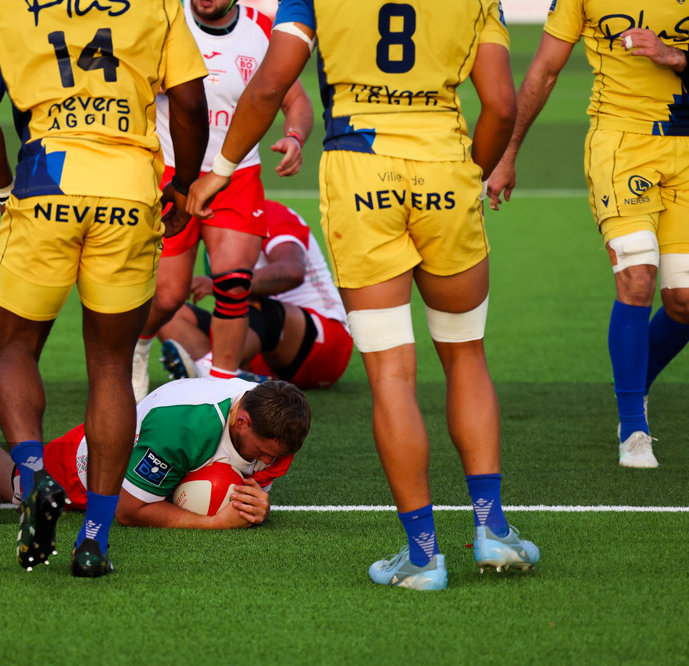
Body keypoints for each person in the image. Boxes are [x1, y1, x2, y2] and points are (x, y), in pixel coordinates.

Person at [187, 0, 540, 590]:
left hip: (360, 174)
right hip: (444, 169)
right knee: (465, 356)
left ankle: (423, 557)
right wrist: (469, 177)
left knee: (392, 375)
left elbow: (271, 83)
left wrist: (221, 167)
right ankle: (493, 530)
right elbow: (501, 105)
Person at [0, 0, 210, 577]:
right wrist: (184, 185)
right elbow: (191, 104)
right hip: (128, 191)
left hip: (45, 180)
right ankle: (94, 539)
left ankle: (32, 475)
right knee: (112, 366)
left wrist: (2, 188)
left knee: (15, 350)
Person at [487, 3, 689, 470]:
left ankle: (635, 382)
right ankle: (633, 427)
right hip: (621, 142)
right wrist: (507, 153)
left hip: (684, 147)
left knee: (683, 302)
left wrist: (674, 56)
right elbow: (545, 69)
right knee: (637, 276)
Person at [132, 0, 313, 401]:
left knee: (233, 283)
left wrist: (295, 137)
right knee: (169, 295)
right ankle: (137, 347)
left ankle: (221, 388)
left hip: (236, 175)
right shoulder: (167, 20)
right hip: (172, 172)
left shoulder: (262, 30)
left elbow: (296, 100)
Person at [0, 378, 309, 549]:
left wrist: (259, 506)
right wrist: (213, 524)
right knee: (21, 486)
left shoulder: (279, 433)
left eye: (276, 457)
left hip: (174, 458)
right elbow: (129, 510)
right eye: (263, 452)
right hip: (95, 460)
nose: (267, 463)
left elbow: (254, 488)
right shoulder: (183, 426)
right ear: (241, 420)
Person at [158, 200, 352, 389]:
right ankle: (223, 377)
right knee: (168, 310)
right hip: (258, 349)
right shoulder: (212, 230)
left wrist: (219, 284)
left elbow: (293, 271)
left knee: (250, 302)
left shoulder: (270, 213)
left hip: (324, 345)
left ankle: (211, 371)